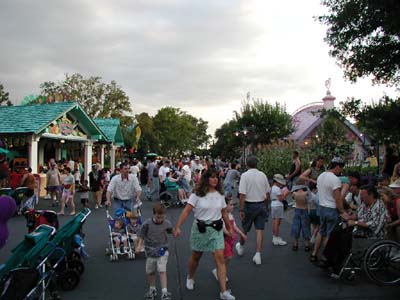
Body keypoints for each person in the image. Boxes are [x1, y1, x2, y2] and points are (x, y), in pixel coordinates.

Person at [174, 168, 235, 300]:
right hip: (200, 228)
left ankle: (223, 292)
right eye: (212, 177)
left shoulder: (220, 195)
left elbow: (224, 213)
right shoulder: (197, 194)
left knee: (220, 258)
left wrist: (229, 228)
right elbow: (187, 211)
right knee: (196, 256)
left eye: (216, 177)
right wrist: (178, 226)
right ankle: (190, 276)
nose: (215, 179)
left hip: (216, 229)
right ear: (206, 178)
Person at [310, 157, 350, 262]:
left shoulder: (321, 176)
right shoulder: (334, 179)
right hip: (331, 209)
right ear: (337, 167)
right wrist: (342, 211)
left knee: (321, 231)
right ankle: (326, 257)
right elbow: (337, 198)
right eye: (341, 168)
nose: (341, 171)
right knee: (330, 235)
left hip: (322, 207)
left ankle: (314, 254)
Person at [236, 156, 271, 266]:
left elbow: (242, 194)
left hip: (249, 205)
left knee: (245, 229)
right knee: (259, 230)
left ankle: (241, 247)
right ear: (257, 164)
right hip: (261, 204)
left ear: (247, 165)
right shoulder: (263, 175)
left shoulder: (244, 176)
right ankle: (258, 254)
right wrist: (267, 205)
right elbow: (267, 193)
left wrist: (241, 209)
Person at [136, 203, 174, 300]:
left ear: (165, 215)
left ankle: (164, 291)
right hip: (150, 251)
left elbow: (171, 231)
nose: (160, 220)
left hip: (162, 250)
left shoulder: (167, 223)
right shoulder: (147, 224)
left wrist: (175, 232)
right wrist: (139, 245)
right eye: (158, 217)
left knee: (162, 270)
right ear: (153, 214)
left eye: (162, 217)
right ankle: (152, 289)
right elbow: (141, 235)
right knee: (151, 271)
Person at [211, 194, 246, 282]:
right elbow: (222, 227)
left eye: (233, 204)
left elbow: (234, 226)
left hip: (230, 238)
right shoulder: (221, 216)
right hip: (223, 239)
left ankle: (220, 271)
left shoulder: (230, 215)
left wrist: (241, 233)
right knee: (228, 257)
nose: (232, 206)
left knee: (227, 257)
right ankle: (221, 272)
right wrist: (228, 233)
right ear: (224, 206)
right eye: (230, 205)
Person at [290, 185, 311, 251]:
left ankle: (295, 245)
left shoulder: (294, 193)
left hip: (297, 210)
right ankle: (307, 245)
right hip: (305, 210)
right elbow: (309, 200)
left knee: (296, 227)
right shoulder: (306, 193)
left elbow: (293, 198)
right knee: (306, 227)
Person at [270, 174, 289, 246]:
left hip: (273, 204)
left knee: (275, 222)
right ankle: (277, 238)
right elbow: (281, 198)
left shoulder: (273, 188)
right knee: (277, 223)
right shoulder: (277, 189)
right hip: (278, 205)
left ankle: (275, 237)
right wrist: (286, 193)